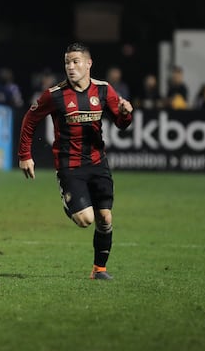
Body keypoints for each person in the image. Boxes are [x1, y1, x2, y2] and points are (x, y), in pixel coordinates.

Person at [17, 42, 133, 280]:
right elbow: (30, 120)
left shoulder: (103, 90)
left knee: (105, 218)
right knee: (85, 219)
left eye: (76, 62)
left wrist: (125, 113)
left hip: (98, 163)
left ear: (88, 64)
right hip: (70, 167)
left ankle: (99, 269)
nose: (71, 67)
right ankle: (71, 202)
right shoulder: (54, 95)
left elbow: (122, 124)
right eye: (67, 62)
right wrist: (25, 155)